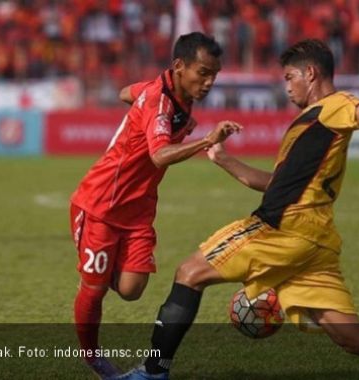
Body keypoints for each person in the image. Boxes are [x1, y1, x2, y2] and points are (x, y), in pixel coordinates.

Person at [115, 34, 359, 380]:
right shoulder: (309, 122)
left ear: (311, 74)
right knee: (350, 336)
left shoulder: (334, 107)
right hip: (315, 242)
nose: (287, 87)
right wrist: (224, 160)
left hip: (282, 229)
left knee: (189, 273)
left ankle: (153, 371)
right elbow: (276, 184)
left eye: (290, 77)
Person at [69, 32, 241, 379]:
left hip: (139, 209)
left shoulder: (174, 93)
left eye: (214, 75)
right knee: (95, 288)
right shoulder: (160, 101)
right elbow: (159, 155)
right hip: (102, 202)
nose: (208, 83)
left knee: (132, 291)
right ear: (179, 66)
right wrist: (206, 139)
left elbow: (125, 92)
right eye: (203, 73)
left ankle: (101, 271)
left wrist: (142, 100)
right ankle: (92, 358)